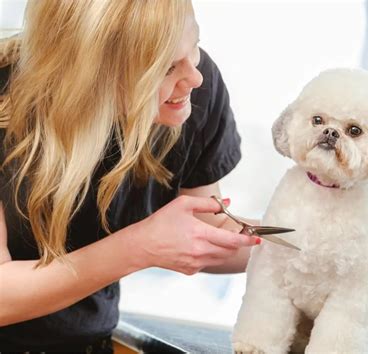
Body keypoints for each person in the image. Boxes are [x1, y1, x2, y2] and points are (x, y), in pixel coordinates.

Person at [0, 1, 260, 352]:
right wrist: (138, 246)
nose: (194, 78)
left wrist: (318, 248)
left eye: (194, 45)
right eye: (165, 68)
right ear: (89, 74)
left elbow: (208, 233)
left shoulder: (196, 90)